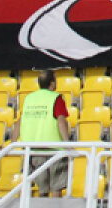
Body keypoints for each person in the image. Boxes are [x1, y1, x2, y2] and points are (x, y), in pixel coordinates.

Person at [15, 70, 71, 199]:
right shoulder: (56, 98)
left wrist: (12, 142)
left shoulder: (29, 98)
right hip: (54, 149)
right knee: (56, 186)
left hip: (34, 149)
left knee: (42, 187)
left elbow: (20, 120)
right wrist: (67, 144)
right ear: (52, 84)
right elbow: (61, 121)